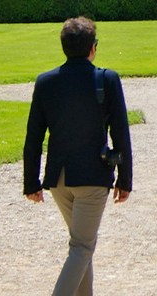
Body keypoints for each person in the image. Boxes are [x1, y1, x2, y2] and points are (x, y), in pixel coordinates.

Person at [25, 17, 133, 296]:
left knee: (82, 246)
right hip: (93, 177)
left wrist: (31, 182)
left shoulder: (46, 82)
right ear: (92, 48)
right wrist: (125, 179)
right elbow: (121, 132)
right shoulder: (107, 79)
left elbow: (34, 137)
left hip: (59, 180)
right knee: (82, 247)